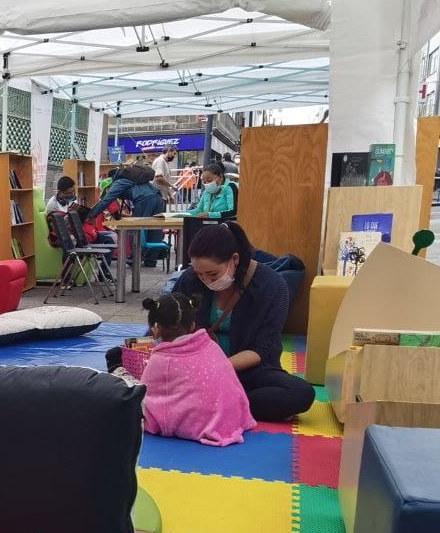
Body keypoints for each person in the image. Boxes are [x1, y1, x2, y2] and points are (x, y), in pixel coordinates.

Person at [170, 222, 316, 422]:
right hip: (195, 370)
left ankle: (217, 404)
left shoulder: (271, 285)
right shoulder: (189, 280)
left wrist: (218, 368)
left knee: (300, 393)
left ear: (234, 260)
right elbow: (171, 323)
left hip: (247, 372)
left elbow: (261, 350)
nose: (205, 280)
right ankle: (218, 404)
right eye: (199, 274)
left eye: (213, 274)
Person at [109, 294, 256, 446]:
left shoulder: (162, 359)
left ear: (155, 329)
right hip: (231, 418)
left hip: (200, 422)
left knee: (122, 387)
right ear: (192, 325)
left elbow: (146, 395)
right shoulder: (210, 345)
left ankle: (116, 370)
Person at [86, 163, 166, 266]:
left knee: (136, 229)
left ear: (112, 177)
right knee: (155, 229)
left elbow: (106, 201)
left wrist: (90, 215)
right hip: (158, 198)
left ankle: (135, 258)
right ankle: (151, 261)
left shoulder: (119, 182)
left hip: (144, 200)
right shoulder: (137, 179)